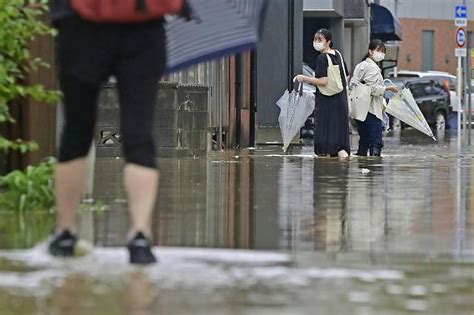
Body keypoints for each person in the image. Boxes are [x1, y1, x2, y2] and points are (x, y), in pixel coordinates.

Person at [48, 0, 187, 264]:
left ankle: (65, 231)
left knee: (76, 131)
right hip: (144, 25)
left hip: (81, 25)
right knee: (140, 133)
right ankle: (140, 236)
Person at [294, 29, 350, 158]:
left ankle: (325, 169)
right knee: (339, 140)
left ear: (328, 41)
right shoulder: (338, 55)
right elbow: (346, 76)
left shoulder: (322, 58)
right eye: (315, 39)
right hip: (341, 99)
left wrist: (304, 78)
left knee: (326, 136)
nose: (316, 42)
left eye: (320, 40)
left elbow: (323, 81)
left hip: (327, 101)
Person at [350, 39, 399, 156]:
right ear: (370, 51)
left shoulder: (360, 66)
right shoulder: (372, 68)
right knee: (376, 142)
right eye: (378, 50)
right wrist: (388, 88)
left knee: (364, 140)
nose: (381, 54)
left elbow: (353, 84)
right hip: (371, 109)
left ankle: (363, 169)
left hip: (359, 109)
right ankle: (374, 170)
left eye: (383, 51)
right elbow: (372, 89)